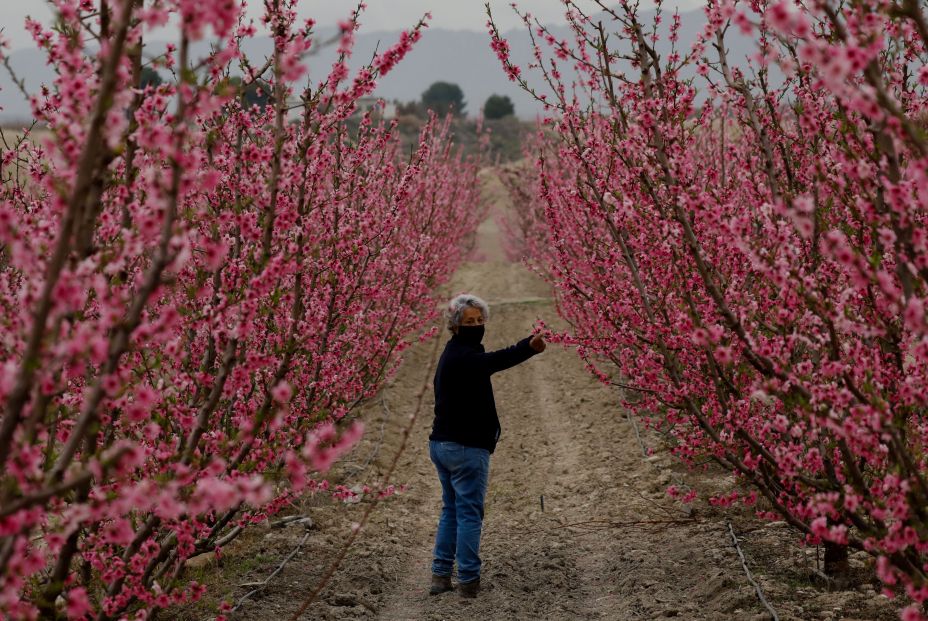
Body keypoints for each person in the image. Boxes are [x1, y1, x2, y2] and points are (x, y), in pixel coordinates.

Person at [427, 293, 546, 598]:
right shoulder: (463, 357)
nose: (477, 325)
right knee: (468, 513)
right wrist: (527, 347)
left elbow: (485, 361)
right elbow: (494, 361)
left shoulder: (453, 353)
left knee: (452, 510)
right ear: (454, 325)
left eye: (480, 320)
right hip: (465, 448)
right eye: (469, 321)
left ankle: (440, 575)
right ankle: (468, 579)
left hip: (443, 444)